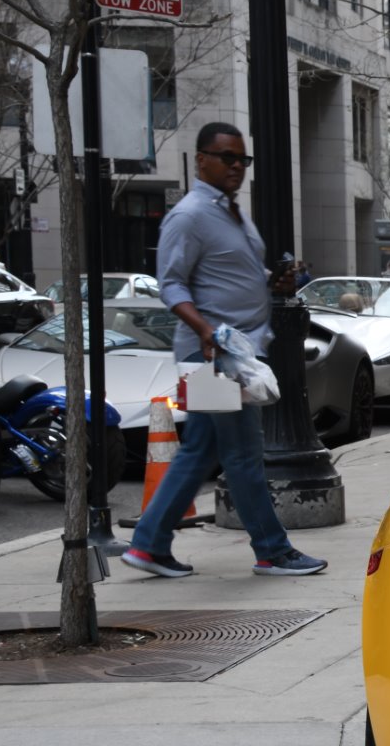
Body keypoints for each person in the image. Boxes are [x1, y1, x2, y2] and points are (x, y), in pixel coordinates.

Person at [122, 121, 327, 580]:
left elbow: (228, 276)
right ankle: (273, 549)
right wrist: (206, 331)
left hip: (234, 354)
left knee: (201, 452)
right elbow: (170, 284)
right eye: (227, 157)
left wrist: (272, 284)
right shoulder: (190, 215)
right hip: (213, 359)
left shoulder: (231, 212)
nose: (237, 166)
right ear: (201, 160)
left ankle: (149, 544)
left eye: (243, 159)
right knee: (242, 453)